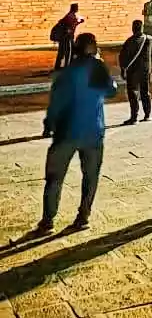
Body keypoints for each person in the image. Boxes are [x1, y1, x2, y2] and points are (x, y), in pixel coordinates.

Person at [34, 33, 117, 234]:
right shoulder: (98, 69)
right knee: (90, 176)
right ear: (95, 48)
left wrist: (49, 124)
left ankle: (48, 220)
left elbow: (56, 103)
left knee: (54, 178)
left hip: (66, 132)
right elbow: (112, 91)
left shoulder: (66, 73)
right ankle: (83, 216)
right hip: (93, 132)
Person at [119, 19, 152, 124]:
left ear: (133, 28)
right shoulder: (149, 39)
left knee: (133, 93)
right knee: (145, 92)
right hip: (146, 70)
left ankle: (134, 117)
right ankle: (147, 115)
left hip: (133, 71)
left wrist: (123, 69)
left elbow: (122, 56)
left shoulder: (129, 41)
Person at [51, 3, 84, 70]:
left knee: (63, 52)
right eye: (76, 7)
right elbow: (70, 27)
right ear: (74, 8)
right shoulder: (70, 16)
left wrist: (79, 22)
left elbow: (71, 26)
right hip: (67, 37)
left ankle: (58, 67)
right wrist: (78, 22)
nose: (77, 9)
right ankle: (67, 67)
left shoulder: (70, 15)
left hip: (65, 37)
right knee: (68, 52)